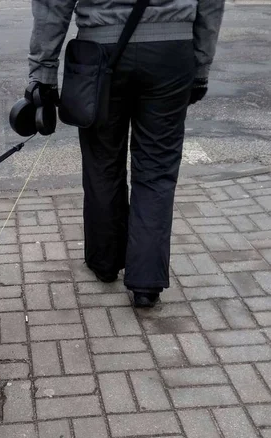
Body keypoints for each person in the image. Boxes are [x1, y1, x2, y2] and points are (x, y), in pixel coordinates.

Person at [21, 0, 225, 308]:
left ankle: (105, 262)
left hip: (100, 50)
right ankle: (146, 284)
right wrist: (200, 62)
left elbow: (54, 4)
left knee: (102, 163)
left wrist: (43, 71)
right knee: (157, 171)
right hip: (171, 51)